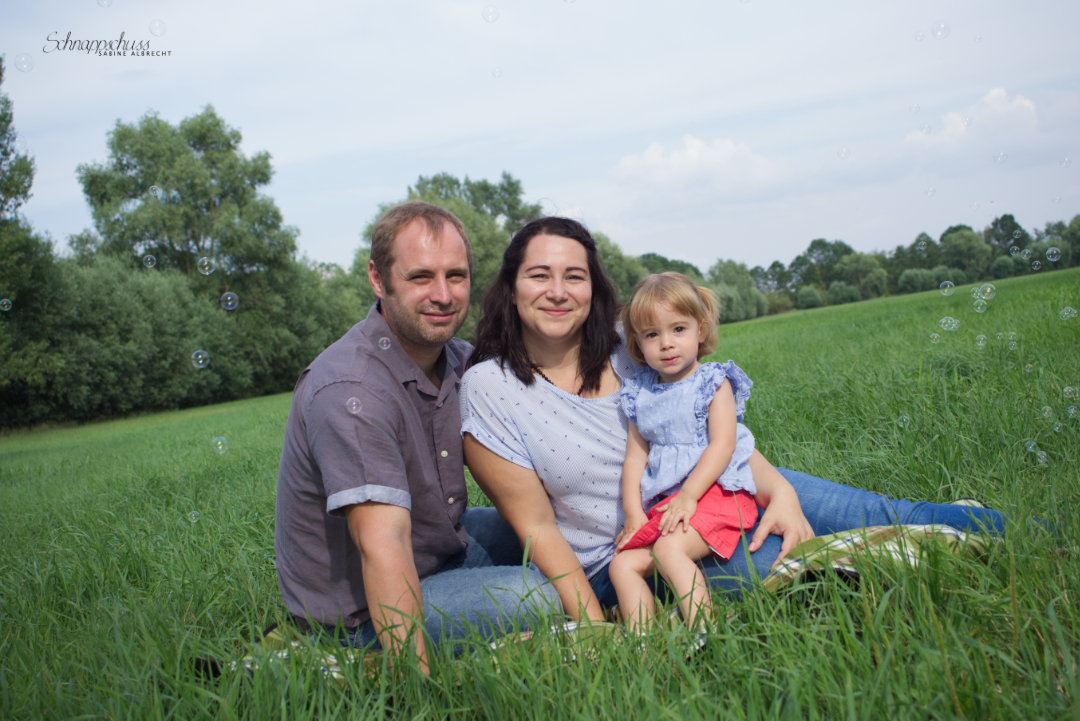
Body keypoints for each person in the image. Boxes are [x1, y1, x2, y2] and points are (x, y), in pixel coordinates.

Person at [459, 216, 1006, 623]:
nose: (558, 291)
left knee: (891, 511)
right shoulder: (491, 387)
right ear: (510, 287)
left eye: (574, 276)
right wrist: (595, 626)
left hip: (731, 489)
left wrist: (782, 493)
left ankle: (1040, 539)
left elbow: (711, 432)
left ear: (594, 287)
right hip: (645, 550)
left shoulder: (635, 344)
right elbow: (536, 527)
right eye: (539, 275)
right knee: (831, 567)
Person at [274, 201, 558, 671]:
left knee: (555, 530)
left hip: (434, 548)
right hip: (359, 615)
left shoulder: (458, 359)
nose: (444, 295)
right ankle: (347, 665)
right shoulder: (352, 391)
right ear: (377, 278)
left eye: (457, 276)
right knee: (540, 596)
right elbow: (381, 545)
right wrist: (419, 690)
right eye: (421, 277)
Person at [609, 273, 759, 631]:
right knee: (623, 564)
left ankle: (704, 632)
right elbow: (636, 457)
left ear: (701, 330)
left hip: (716, 493)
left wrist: (690, 495)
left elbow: (723, 444)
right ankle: (644, 642)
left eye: (678, 329)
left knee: (668, 550)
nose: (666, 344)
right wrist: (633, 511)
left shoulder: (712, 382)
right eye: (652, 334)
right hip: (670, 505)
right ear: (637, 343)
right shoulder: (639, 393)